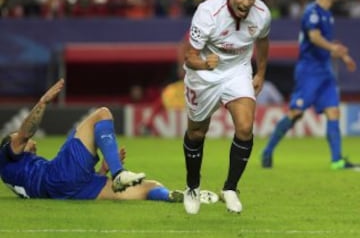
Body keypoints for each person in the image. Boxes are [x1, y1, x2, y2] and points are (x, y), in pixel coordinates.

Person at [0, 78, 218, 203]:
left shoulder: (21, 173)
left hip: (66, 191)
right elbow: (25, 133)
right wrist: (43, 102)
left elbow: (66, 184)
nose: (28, 142)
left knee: (149, 187)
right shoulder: (6, 156)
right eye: (20, 142)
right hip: (57, 178)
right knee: (102, 114)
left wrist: (101, 170)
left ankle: (171, 196)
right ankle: (119, 173)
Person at [182, 0, 271, 214]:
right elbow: (189, 56)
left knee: (245, 127)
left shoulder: (262, 14)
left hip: (237, 70)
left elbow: (263, 41)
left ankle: (230, 188)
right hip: (204, 73)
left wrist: (261, 72)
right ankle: (192, 186)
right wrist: (204, 63)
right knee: (197, 133)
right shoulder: (208, 12)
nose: (246, 3)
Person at [261, 0, 358, 170]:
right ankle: (268, 150)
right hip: (309, 71)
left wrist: (343, 55)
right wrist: (334, 49)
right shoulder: (311, 11)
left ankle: (337, 160)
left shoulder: (328, 14)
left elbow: (326, 43)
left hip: (325, 71)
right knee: (296, 113)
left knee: (333, 111)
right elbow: (314, 37)